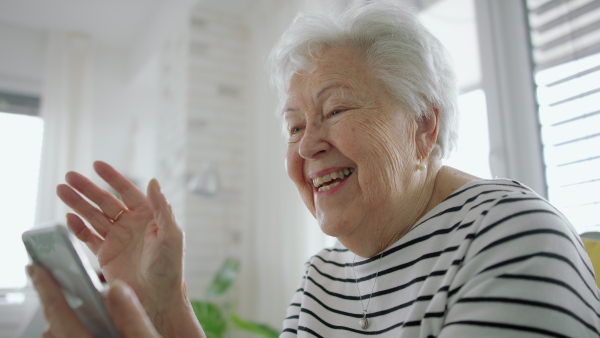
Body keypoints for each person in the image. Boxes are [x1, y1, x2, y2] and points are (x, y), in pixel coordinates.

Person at [28, 1, 600, 337]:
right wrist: (164, 302)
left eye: (335, 110)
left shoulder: (513, 237)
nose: (306, 148)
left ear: (424, 128)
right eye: (294, 125)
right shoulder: (323, 279)